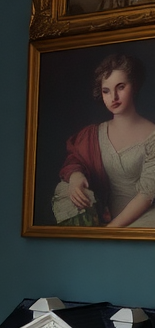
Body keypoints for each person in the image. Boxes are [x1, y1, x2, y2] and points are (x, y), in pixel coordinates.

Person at [52, 53, 155, 228]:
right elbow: (76, 161)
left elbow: (147, 195)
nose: (113, 97)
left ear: (135, 86)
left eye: (120, 87)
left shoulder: (152, 136)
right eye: (106, 91)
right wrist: (76, 177)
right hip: (104, 218)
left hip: (144, 220)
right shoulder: (92, 134)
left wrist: (110, 230)